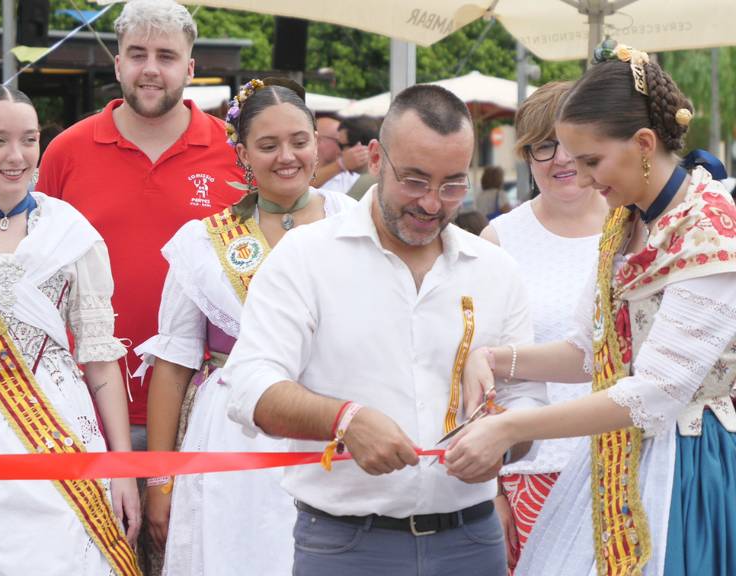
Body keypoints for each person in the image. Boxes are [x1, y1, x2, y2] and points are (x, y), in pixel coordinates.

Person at [223, 84, 546, 576]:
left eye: (453, 185)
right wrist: (345, 420)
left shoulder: (496, 269)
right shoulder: (306, 257)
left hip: (471, 542)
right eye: (414, 181)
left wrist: (501, 437)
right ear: (375, 158)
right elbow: (249, 387)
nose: (433, 204)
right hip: (347, 544)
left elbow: (528, 400)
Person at [447, 43, 736, 576]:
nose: (580, 178)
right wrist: (493, 357)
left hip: (691, 461)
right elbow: (592, 352)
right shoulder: (625, 222)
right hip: (615, 454)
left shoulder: (709, 226)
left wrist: (510, 430)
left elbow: (657, 391)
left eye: (591, 161)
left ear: (644, 144)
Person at [137, 78, 356, 575]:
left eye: (300, 141)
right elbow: (172, 366)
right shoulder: (203, 243)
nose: (287, 156)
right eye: (268, 145)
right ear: (241, 153)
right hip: (233, 431)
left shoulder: (355, 223)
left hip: (331, 419)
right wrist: (160, 480)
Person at [37, 0, 244, 454]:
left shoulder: (233, 156)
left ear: (190, 68)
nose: (150, 69)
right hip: (86, 403)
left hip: (203, 404)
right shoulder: (66, 152)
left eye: (166, 57)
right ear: (117, 63)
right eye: (137, 54)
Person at [0, 85, 140, 574]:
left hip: (62, 427)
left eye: (29, 138)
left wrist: (121, 465)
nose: (17, 155)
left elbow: (101, 357)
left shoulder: (70, 231)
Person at [481, 81, 607, 571]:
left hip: (623, 462)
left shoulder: (635, 228)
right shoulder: (499, 238)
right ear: (526, 156)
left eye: (574, 145)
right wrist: (489, 489)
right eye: (543, 146)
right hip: (533, 469)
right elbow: (471, 370)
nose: (561, 160)